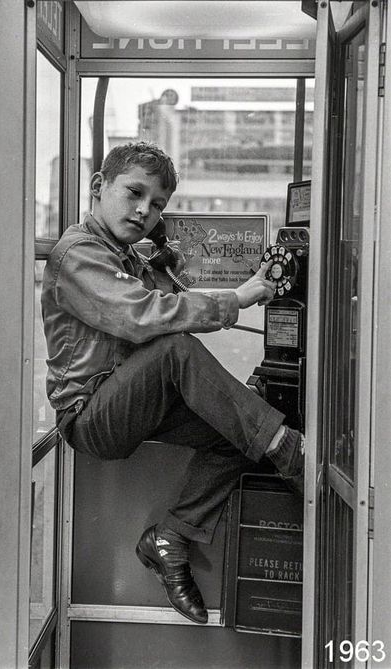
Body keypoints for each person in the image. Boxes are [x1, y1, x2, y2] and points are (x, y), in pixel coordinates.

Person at [41, 141, 304, 626]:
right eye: (134, 193)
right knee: (176, 350)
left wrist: (167, 267)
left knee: (238, 425)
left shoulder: (126, 259)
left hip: (134, 403)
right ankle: (289, 450)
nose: (144, 211)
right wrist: (237, 298)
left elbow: (164, 307)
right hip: (90, 417)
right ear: (99, 188)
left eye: (157, 204)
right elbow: (146, 321)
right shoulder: (78, 255)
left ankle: (172, 537)